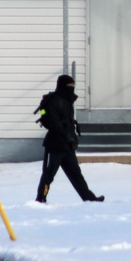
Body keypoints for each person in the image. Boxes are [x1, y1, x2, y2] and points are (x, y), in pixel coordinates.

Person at [34, 75, 103, 203]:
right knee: (49, 174)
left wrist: (70, 136)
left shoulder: (67, 100)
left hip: (67, 145)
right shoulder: (53, 101)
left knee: (76, 174)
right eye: (69, 86)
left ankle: (89, 198)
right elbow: (52, 122)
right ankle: (40, 199)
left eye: (73, 86)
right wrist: (66, 134)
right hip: (55, 145)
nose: (71, 88)